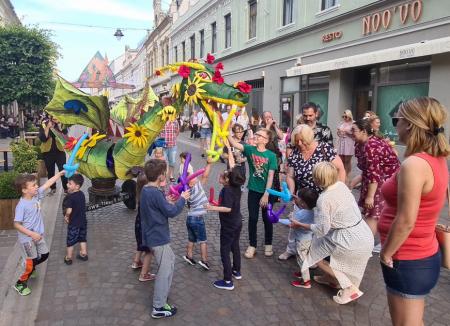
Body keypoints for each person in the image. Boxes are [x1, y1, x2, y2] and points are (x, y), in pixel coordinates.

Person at [378, 97, 450, 326]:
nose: (395, 124)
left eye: (396, 119)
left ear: (408, 124)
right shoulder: (436, 158)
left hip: (407, 257)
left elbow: (406, 220)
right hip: (421, 254)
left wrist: (386, 253)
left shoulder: (415, 165)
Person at [295, 162, 373, 304]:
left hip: (348, 239)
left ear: (318, 179)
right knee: (320, 250)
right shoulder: (341, 186)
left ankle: (350, 288)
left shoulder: (324, 199)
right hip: (361, 231)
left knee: (316, 258)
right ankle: (330, 280)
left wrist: (299, 224)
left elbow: (321, 229)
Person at [280, 124, 345, 261]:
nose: (299, 143)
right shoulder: (295, 153)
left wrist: (339, 190)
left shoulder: (324, 149)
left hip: (323, 197)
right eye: (296, 141)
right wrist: (291, 192)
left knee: (320, 227)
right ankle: (291, 249)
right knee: (296, 224)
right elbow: (290, 176)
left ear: (309, 138)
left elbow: (340, 169)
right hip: (302, 198)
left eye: (302, 140)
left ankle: (315, 254)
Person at [140, 159, 189, 319]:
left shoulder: (147, 189)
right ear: (161, 176)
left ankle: (162, 297)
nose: (167, 175)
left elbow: (158, 205)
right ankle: (159, 306)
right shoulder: (155, 192)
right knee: (164, 270)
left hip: (152, 235)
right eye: (165, 173)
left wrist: (167, 200)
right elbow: (171, 212)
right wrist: (182, 199)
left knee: (170, 261)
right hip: (158, 237)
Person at [13, 170, 66, 296]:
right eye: (34, 185)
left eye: (36, 184)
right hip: (28, 239)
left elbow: (48, 183)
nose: (37, 186)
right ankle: (20, 283)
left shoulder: (36, 195)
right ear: (24, 190)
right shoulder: (21, 206)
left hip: (38, 236)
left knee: (44, 254)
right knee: (30, 265)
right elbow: (16, 224)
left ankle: (29, 265)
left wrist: (59, 174)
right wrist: (31, 234)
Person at [227, 128, 277, 258]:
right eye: (256, 134)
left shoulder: (271, 156)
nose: (255, 136)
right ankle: (252, 245)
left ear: (265, 140)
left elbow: (271, 176)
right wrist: (227, 131)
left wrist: (266, 194)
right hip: (254, 190)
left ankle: (268, 244)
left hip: (267, 192)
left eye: (259, 135)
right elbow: (233, 143)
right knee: (253, 218)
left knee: (267, 219)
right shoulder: (250, 149)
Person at [350, 119, 400, 246]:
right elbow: (369, 169)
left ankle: (366, 245)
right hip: (376, 179)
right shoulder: (361, 143)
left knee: (372, 213)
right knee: (373, 213)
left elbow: (374, 173)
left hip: (384, 180)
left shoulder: (371, 146)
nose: (351, 133)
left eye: (354, 130)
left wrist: (370, 196)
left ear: (364, 131)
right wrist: (356, 180)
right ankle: (373, 241)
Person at [207, 142, 246, 290]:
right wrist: (229, 148)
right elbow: (232, 164)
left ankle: (228, 281)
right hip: (237, 222)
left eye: (223, 176)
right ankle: (237, 271)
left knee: (225, 249)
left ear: (227, 180)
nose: (220, 175)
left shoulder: (228, 190)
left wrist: (212, 207)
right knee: (235, 246)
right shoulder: (235, 183)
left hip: (229, 224)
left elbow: (227, 208)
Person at [182, 157, 212, 271]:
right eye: (193, 178)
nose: (195, 178)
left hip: (190, 218)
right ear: (190, 182)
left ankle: (189, 256)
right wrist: (209, 163)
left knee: (191, 239)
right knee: (203, 240)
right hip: (198, 219)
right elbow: (205, 175)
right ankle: (204, 260)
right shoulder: (197, 187)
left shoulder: (186, 193)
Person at [289, 188, 319, 289]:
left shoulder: (301, 214)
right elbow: (303, 209)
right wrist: (297, 200)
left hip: (301, 240)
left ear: (303, 203)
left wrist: (290, 217)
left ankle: (305, 281)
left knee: (301, 259)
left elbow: (293, 224)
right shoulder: (314, 211)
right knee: (304, 256)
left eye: (300, 199)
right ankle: (303, 272)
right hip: (308, 238)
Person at [130, 172, 155, 282]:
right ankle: (144, 274)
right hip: (146, 227)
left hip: (139, 224)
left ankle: (136, 262)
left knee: (140, 244)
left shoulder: (139, 194)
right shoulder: (148, 197)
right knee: (149, 251)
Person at [62, 174, 88, 265]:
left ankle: (68, 258)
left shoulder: (71, 197)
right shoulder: (82, 194)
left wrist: (66, 216)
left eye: (69, 183)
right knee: (82, 238)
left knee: (70, 241)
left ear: (77, 186)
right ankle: (84, 253)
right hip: (83, 222)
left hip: (74, 223)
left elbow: (69, 210)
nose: (67, 185)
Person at [39, 116, 68, 194]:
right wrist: (48, 127)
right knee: (50, 171)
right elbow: (43, 139)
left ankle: (66, 188)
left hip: (59, 151)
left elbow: (65, 138)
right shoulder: (44, 124)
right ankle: (52, 188)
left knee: (63, 170)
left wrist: (59, 126)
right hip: (48, 152)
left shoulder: (61, 124)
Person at [336, 110, 355, 183]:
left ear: (349, 116)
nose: (344, 118)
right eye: (343, 116)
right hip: (341, 142)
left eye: (346, 116)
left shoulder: (353, 123)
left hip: (349, 143)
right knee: (341, 159)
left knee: (347, 160)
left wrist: (347, 133)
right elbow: (338, 133)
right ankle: (341, 174)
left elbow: (354, 135)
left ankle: (347, 175)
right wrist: (339, 132)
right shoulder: (341, 123)